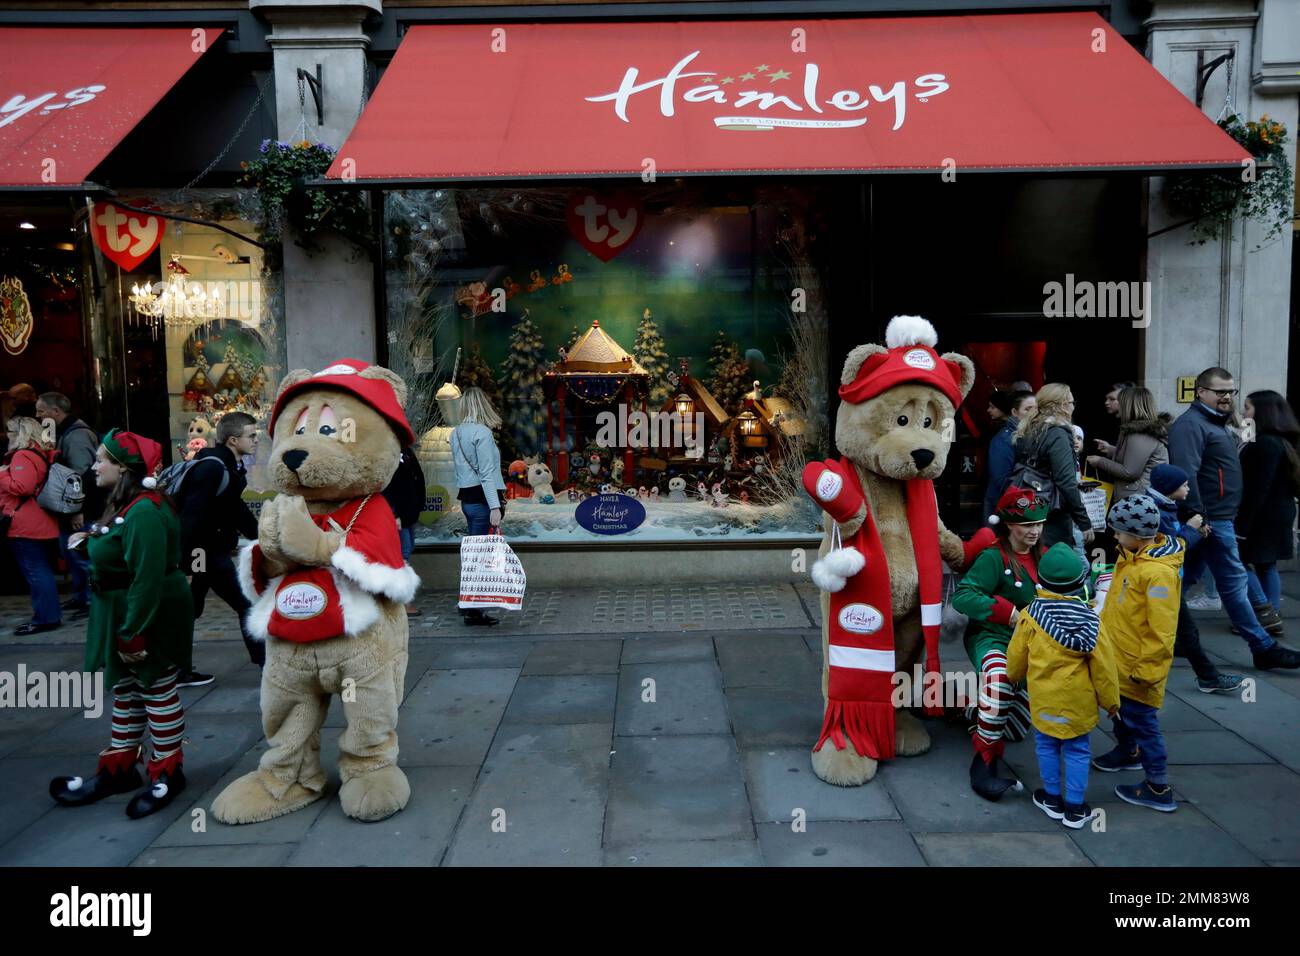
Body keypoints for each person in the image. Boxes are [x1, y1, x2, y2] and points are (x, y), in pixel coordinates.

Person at [49, 429, 194, 818]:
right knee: (129, 689)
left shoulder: (145, 510)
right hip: (124, 609)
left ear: (125, 468)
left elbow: (146, 577)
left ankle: (168, 771)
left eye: (103, 459)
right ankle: (119, 770)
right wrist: (95, 535)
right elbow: (121, 544)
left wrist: (134, 632)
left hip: (143, 612)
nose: (95, 466)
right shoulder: (133, 506)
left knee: (157, 687)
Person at [1167, 367, 1300, 669]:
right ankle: (1262, 645)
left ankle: (1163, 635)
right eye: (1220, 391)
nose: (1227, 396)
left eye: (1231, 391)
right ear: (1201, 392)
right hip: (1211, 519)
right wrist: (1198, 516)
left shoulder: (1216, 424)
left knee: (1180, 581)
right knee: (1233, 583)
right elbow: (1186, 473)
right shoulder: (1192, 426)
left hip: (1215, 518)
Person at [1007, 541, 1118, 829]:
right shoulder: (1093, 621)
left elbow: (1016, 658)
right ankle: (1076, 807)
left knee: (1046, 746)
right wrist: (1111, 703)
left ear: (1041, 582)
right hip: (1079, 706)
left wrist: (1014, 677)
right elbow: (1105, 668)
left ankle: (1052, 798)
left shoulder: (1030, 616)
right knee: (1078, 750)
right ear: (1080, 583)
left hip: (1044, 702)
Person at [951, 486, 1047, 800]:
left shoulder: (1044, 556)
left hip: (1031, 645)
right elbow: (963, 596)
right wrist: (1008, 614)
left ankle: (963, 709)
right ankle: (984, 762)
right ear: (1009, 524)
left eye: (1039, 523)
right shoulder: (994, 556)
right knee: (999, 679)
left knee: (1016, 729)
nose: (1034, 530)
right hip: (991, 636)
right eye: (1028, 524)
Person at [1092, 494, 1185, 813]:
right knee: (1119, 712)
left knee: (1144, 723)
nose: (1114, 537)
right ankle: (1127, 751)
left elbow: (1162, 631)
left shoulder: (1157, 573)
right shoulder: (1128, 556)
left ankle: (1158, 786)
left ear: (1136, 534)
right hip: (1118, 659)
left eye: (1118, 531)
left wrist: (1147, 671)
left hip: (1139, 668)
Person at [177, 411, 261, 680]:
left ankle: (176, 669)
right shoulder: (214, 468)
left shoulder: (230, 467)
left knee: (190, 608)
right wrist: (188, 563)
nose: (256, 440)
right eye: (252, 436)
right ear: (234, 440)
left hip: (209, 550)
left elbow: (235, 509)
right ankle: (267, 665)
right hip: (205, 552)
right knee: (246, 603)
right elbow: (191, 516)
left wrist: (261, 536)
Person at [1148, 464, 1243, 693]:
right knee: (1187, 630)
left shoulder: (1164, 505)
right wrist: (1191, 529)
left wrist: (1193, 531)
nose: (1189, 488)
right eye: (1184, 485)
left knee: (1180, 631)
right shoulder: (1159, 510)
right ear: (1170, 488)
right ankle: (1207, 677)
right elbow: (1171, 548)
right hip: (1161, 581)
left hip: (1163, 580)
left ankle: (1189, 660)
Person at [35, 392, 100, 618]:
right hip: (72, 508)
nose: (38, 416)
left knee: (81, 556)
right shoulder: (64, 433)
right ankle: (82, 596)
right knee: (72, 555)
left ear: (56, 412)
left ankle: (92, 601)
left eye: (41, 411)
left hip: (80, 509)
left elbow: (80, 476)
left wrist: (78, 510)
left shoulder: (77, 436)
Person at [1237, 390, 1300, 625]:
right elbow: (1243, 446)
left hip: (1263, 514)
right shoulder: (1278, 439)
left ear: (1262, 412)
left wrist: (1242, 526)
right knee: (1266, 564)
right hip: (1277, 512)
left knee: (1239, 560)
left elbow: (1257, 488)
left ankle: (1265, 613)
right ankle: (1270, 612)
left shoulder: (1266, 445)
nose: (1243, 412)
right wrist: (1247, 425)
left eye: (1247, 408)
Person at [1012, 383, 1093, 556]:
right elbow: (1066, 481)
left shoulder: (1031, 427)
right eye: (1071, 403)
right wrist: (1084, 522)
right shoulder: (1057, 433)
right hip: (1052, 512)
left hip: (1030, 506)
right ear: (1062, 406)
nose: (1073, 406)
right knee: (1056, 564)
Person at [450, 387, 507, 627]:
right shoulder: (482, 433)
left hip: (468, 500)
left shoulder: (456, 433)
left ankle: (467, 603)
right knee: (481, 556)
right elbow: (486, 473)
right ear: (483, 405)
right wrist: (495, 506)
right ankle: (473, 609)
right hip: (484, 501)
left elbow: (459, 470)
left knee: (474, 553)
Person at [0, 416, 61, 634]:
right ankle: (48, 615)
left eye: (9, 431)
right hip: (38, 520)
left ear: (20, 433)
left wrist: (2, 474)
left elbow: (22, 487)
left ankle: (46, 618)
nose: (6, 435)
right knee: (40, 570)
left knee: (36, 572)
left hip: (25, 522)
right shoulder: (38, 453)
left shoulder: (22, 455)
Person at [1086, 386, 1169, 500]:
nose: (1118, 405)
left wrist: (1100, 462)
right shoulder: (1138, 431)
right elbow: (1137, 458)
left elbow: (1129, 472)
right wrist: (1111, 450)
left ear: (1130, 406)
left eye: (1121, 402)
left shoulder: (1140, 434)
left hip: (1139, 502)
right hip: (1138, 498)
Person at [382, 443, 427, 617]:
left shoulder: (406, 451)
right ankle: (402, 601)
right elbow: (386, 485)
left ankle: (399, 599)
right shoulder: (388, 451)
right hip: (398, 514)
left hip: (408, 514)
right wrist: (393, 513)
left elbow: (416, 477)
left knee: (406, 551)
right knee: (402, 554)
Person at [983, 389, 1035, 523]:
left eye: (1037, 409)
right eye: (1028, 409)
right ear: (1014, 412)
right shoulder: (1005, 439)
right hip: (1007, 507)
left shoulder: (1032, 435)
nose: (1034, 414)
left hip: (1025, 504)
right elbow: (1001, 479)